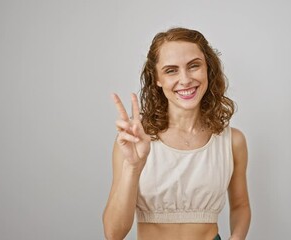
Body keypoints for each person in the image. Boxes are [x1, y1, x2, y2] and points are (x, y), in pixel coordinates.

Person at [103, 27, 250, 240]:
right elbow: (113, 234)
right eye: (171, 70)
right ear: (157, 79)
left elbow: (240, 205)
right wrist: (133, 167)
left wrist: (236, 238)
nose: (185, 79)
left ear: (207, 69)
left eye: (194, 66)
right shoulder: (135, 142)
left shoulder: (233, 141)